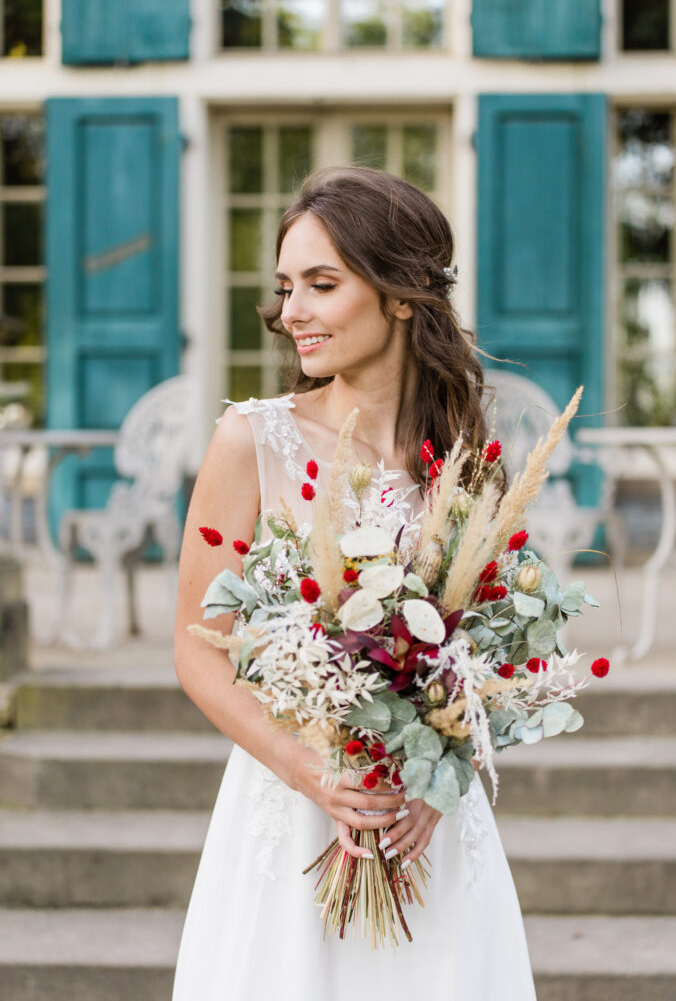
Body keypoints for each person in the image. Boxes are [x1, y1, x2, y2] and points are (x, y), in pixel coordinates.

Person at [172, 166, 537, 1000]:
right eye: (285, 286)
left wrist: (442, 784)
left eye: (321, 285)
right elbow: (199, 655)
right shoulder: (251, 440)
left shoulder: (465, 463)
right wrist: (311, 772)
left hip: (425, 822)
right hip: (298, 806)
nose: (290, 311)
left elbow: (489, 659)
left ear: (402, 295)